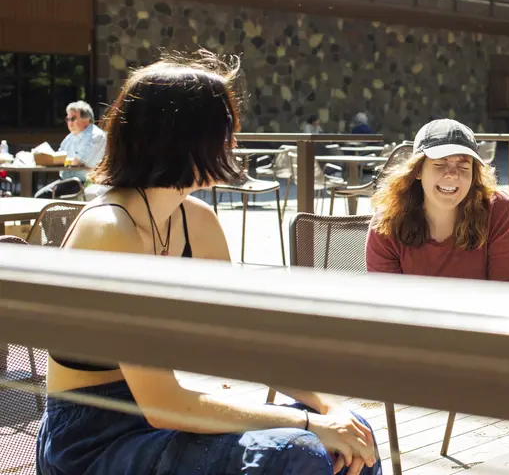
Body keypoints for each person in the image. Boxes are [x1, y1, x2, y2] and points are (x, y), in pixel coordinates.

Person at [38, 52, 379, 475]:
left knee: (353, 433)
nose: (234, 143)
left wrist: (331, 408)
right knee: (297, 448)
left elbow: (240, 343)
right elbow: (163, 405)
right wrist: (310, 422)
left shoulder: (196, 221)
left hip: (158, 426)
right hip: (92, 440)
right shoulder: (109, 231)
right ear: (182, 138)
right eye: (225, 131)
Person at [366, 119, 509, 282]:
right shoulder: (386, 224)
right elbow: (387, 302)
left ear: (474, 174)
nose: (453, 174)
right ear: (418, 171)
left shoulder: (496, 210)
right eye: (440, 163)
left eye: (463, 167)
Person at [35, 101, 107, 198]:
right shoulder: (70, 137)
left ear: (86, 119)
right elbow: (59, 158)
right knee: (40, 196)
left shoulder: (96, 136)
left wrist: (62, 160)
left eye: (73, 118)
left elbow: (78, 161)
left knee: (41, 197)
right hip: (67, 181)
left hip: (84, 183)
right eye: (67, 119)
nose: (69, 122)